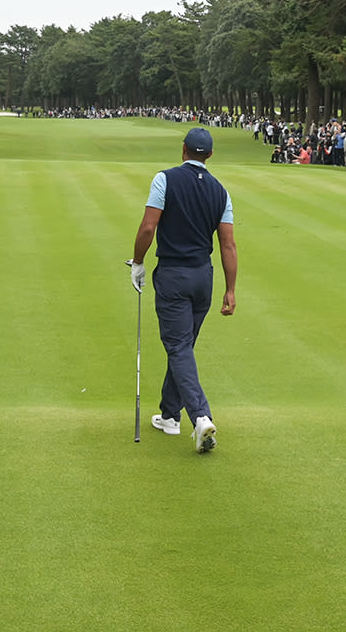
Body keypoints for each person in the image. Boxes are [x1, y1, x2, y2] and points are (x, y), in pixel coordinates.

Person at [128, 127, 237, 454]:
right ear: (210, 155)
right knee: (183, 347)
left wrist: (137, 262)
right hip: (204, 278)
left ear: (184, 149)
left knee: (178, 348)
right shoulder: (221, 191)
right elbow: (228, 244)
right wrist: (230, 290)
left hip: (174, 276)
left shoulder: (165, 179)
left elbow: (149, 226)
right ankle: (169, 416)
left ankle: (201, 417)